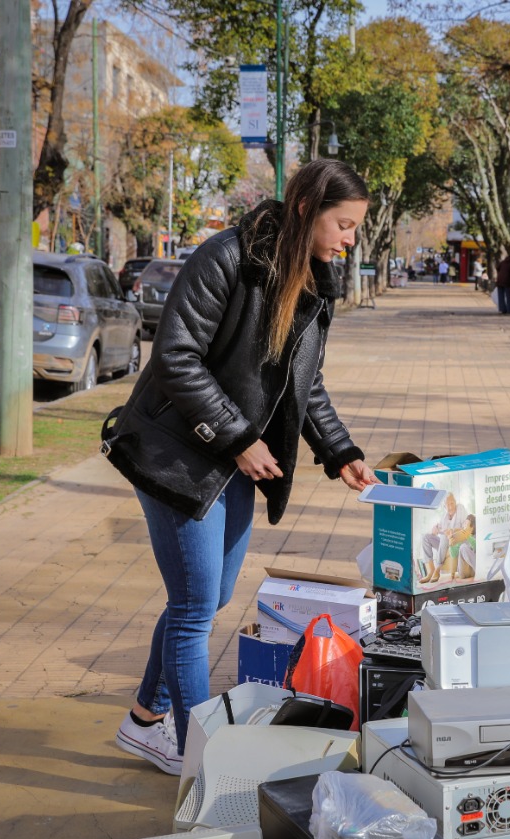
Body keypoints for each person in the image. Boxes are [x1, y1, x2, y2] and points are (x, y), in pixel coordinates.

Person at [99, 159, 381, 775]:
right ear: (305, 209)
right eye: (344, 224)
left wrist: (342, 452)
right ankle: (200, 760)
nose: (350, 239)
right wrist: (238, 438)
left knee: (209, 598)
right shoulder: (226, 257)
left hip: (235, 461)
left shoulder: (313, 279)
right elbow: (175, 357)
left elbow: (306, 383)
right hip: (177, 455)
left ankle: (144, 719)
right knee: (195, 608)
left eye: (356, 228)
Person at [420, 492, 470, 584]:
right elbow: (439, 528)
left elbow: (466, 528)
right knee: (425, 537)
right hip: (445, 544)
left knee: (444, 537)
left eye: (452, 503)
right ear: (444, 506)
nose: (450, 507)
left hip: (457, 542)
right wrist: (435, 529)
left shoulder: (460, 509)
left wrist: (453, 531)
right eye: (447, 504)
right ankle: (431, 571)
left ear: (455, 502)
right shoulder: (444, 516)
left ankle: (437, 569)